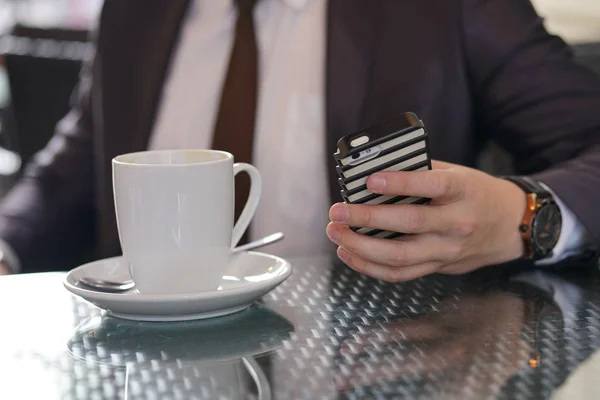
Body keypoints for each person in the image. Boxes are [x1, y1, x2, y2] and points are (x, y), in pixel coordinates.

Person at [0, 0, 598, 279]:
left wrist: (523, 216)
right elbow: (72, 169)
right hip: (149, 366)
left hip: (383, 364)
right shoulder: (135, 14)